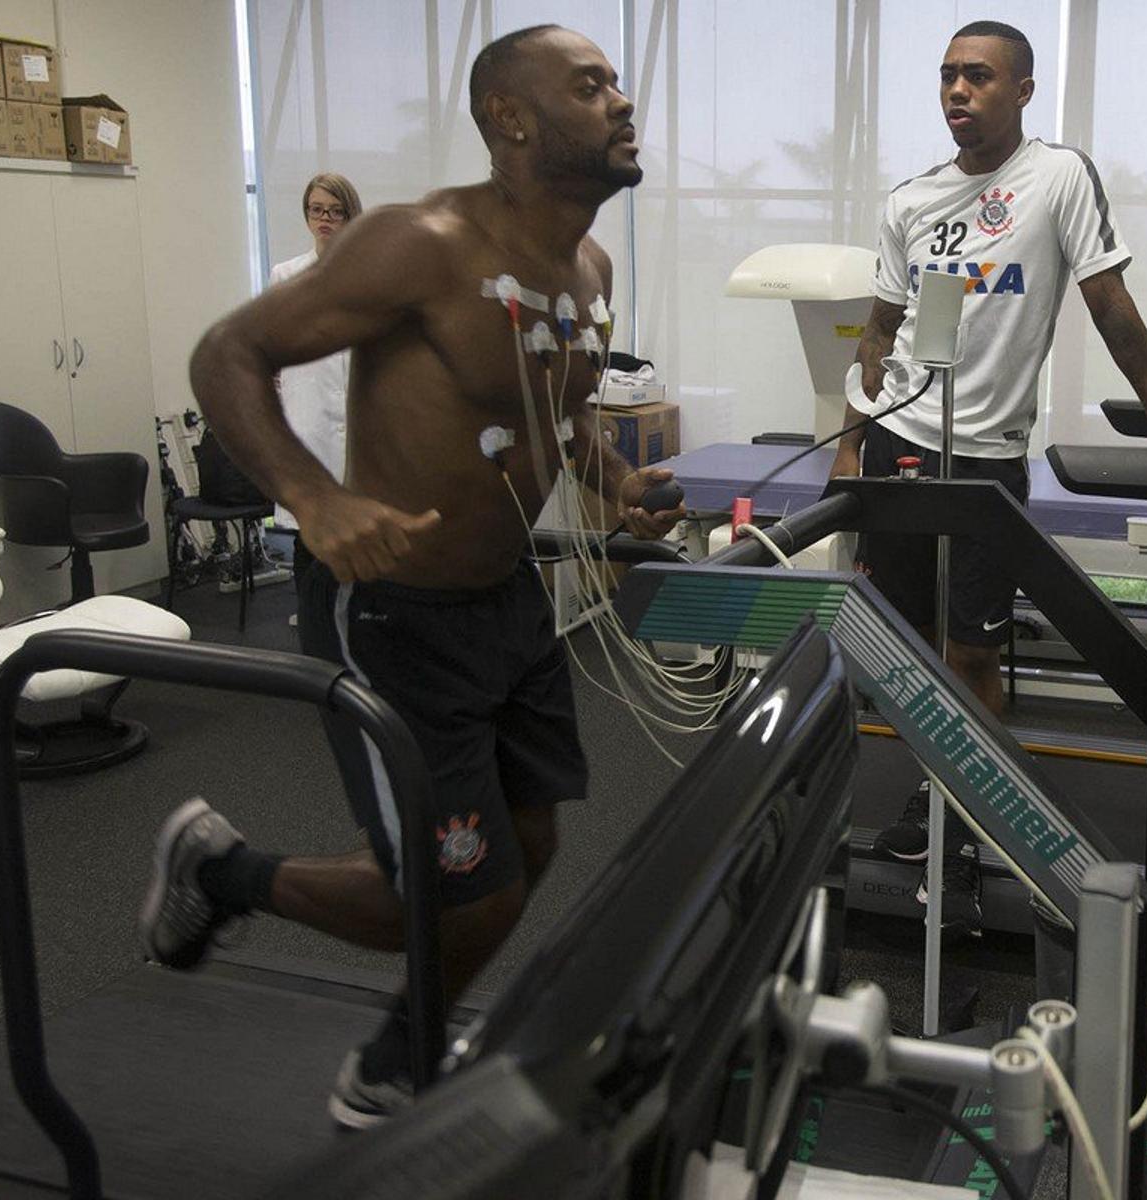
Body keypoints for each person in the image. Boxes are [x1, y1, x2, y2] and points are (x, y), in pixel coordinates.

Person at [137, 24, 682, 1128]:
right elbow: (227, 356)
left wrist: (615, 487)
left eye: (619, 83)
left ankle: (390, 1024)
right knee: (458, 889)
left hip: (509, 605)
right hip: (394, 615)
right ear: (511, 119)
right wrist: (314, 500)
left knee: (529, 848)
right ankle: (340, 1003)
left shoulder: (589, 266)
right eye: (592, 87)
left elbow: (558, 405)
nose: (623, 103)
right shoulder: (418, 242)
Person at [829, 21, 1147, 929]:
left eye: (978, 76)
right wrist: (847, 439)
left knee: (975, 647)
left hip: (985, 450)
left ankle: (980, 802)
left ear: (1022, 89)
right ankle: (934, 798)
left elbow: (1110, 303)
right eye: (948, 76)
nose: (957, 90)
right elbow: (880, 330)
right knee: (905, 649)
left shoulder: (1057, 176)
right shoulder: (911, 198)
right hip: (902, 437)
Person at [271, 172, 363, 592]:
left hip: (357, 418)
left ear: (349, 215)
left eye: (334, 211)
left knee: (358, 533)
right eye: (316, 210)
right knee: (311, 534)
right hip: (308, 418)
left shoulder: (368, 272)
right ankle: (313, 619)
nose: (324, 218)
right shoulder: (287, 274)